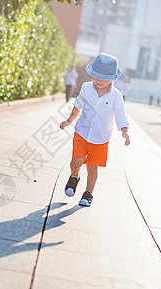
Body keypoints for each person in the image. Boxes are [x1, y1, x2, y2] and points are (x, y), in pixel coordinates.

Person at [59, 53, 130, 207]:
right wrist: (69, 121)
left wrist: (124, 131)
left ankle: (88, 193)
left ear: (112, 78)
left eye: (103, 78)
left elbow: (120, 115)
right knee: (76, 161)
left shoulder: (116, 96)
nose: (98, 81)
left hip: (100, 138)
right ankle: (74, 177)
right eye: (95, 76)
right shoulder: (86, 87)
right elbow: (78, 106)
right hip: (82, 132)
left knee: (92, 168)